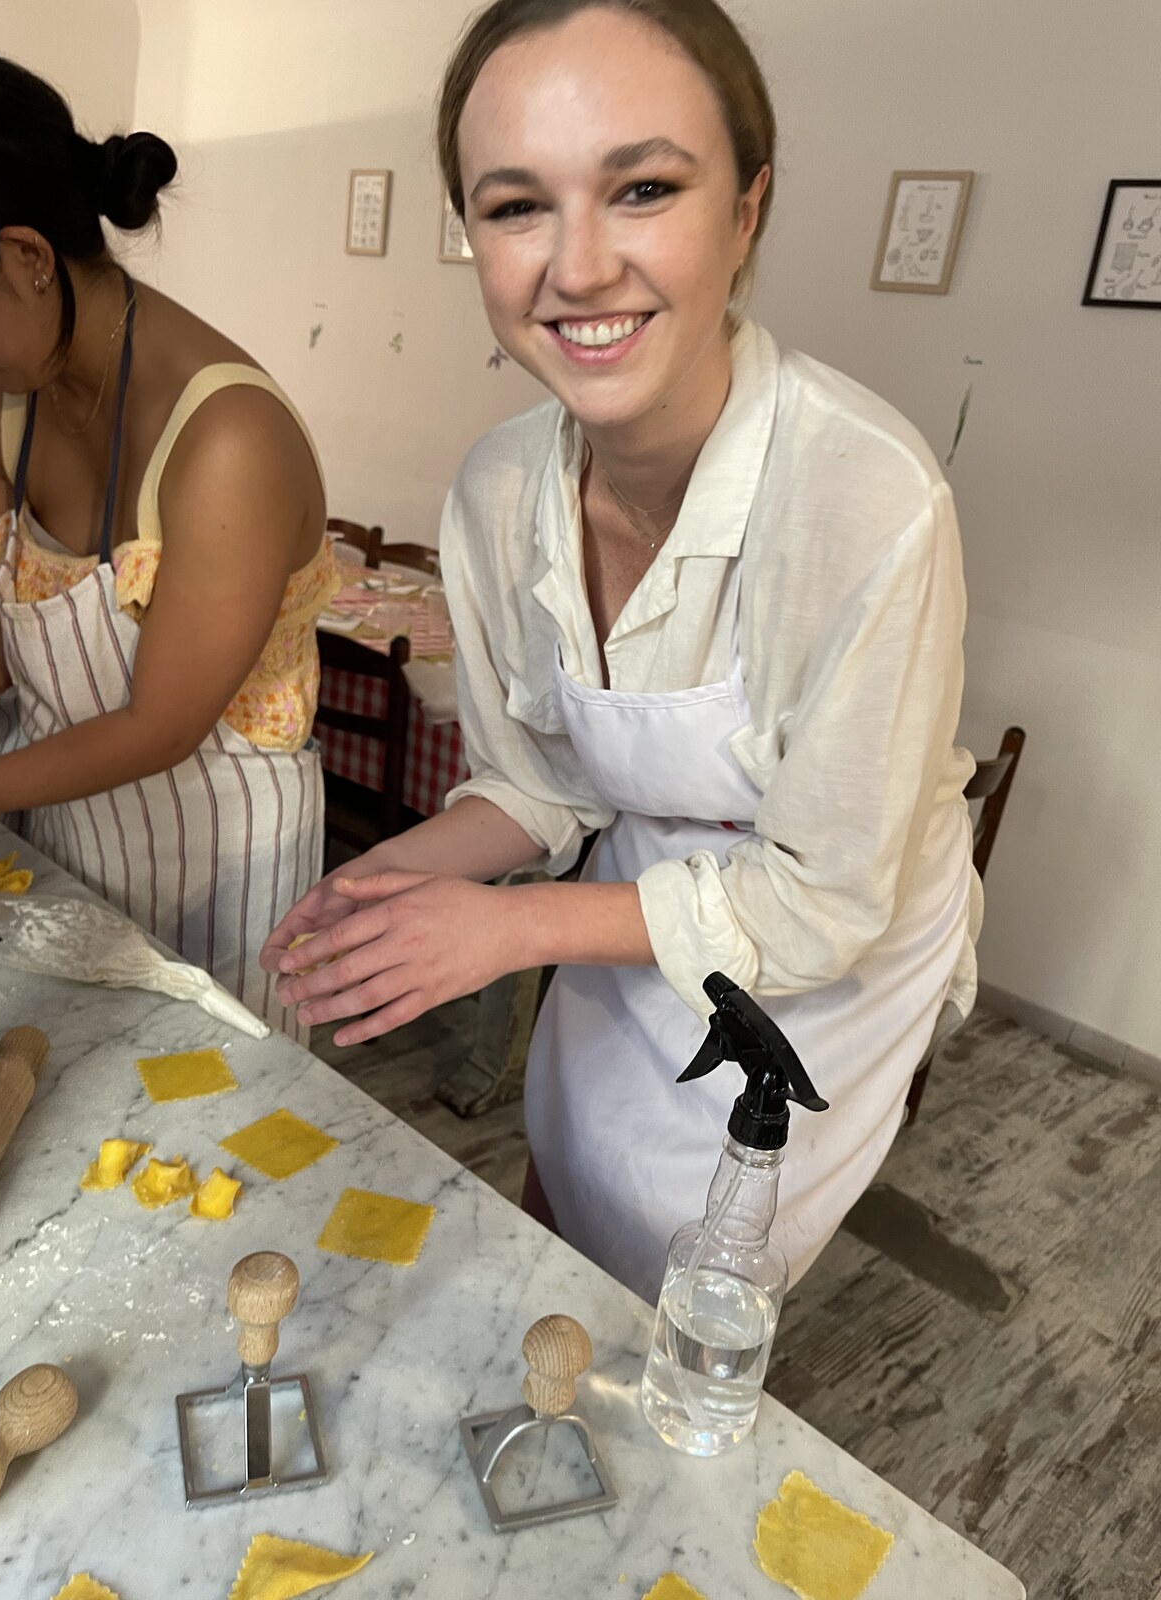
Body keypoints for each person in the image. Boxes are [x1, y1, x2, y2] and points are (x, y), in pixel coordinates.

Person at [263, 0, 980, 1299]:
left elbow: (821, 900)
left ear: (746, 212)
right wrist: (379, 894)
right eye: (516, 205)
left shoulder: (860, 500)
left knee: (698, 1255)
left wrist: (507, 930)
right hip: (637, 897)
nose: (578, 268)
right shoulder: (497, 494)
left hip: (834, 935)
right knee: (573, 1143)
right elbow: (543, 783)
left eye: (642, 187)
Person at [0, 43, 338, 1034]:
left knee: (211, 1123)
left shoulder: (226, 438)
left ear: (27, 257)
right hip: (73, 834)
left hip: (223, 862)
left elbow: (161, 725)